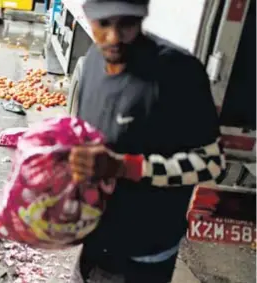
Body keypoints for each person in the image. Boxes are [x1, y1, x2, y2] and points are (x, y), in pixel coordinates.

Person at [68, 0, 226, 282]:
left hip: (141, 259)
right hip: (94, 247)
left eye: (126, 23)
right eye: (104, 24)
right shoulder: (93, 60)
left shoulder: (178, 72)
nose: (114, 37)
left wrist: (127, 167)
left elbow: (211, 163)